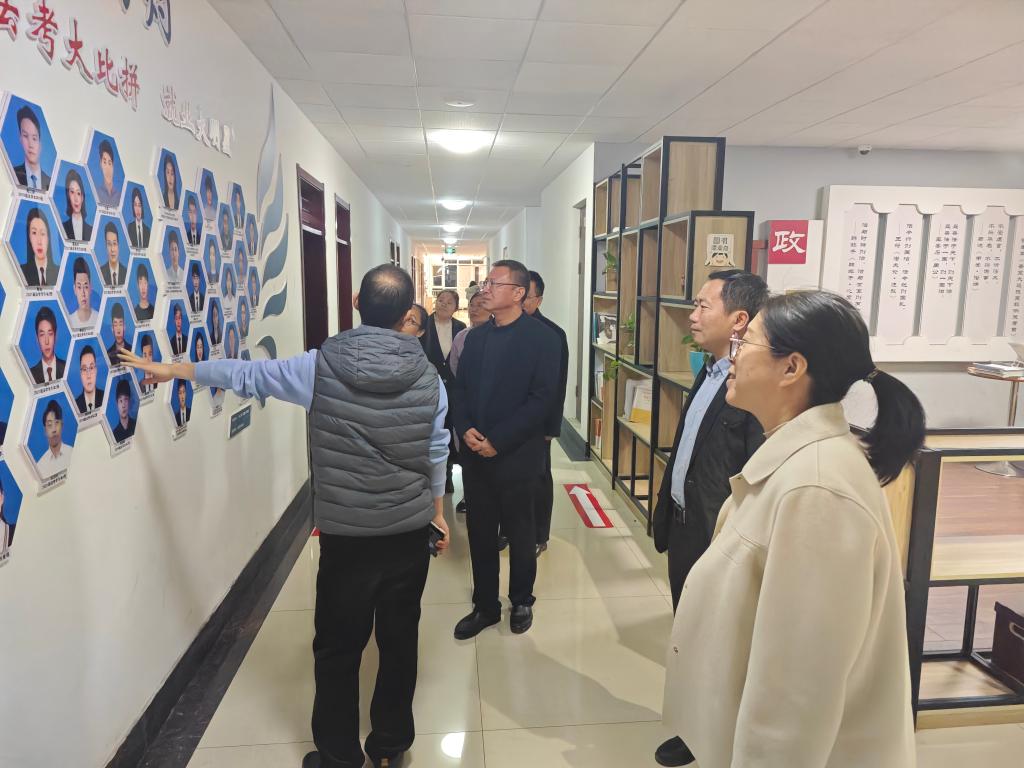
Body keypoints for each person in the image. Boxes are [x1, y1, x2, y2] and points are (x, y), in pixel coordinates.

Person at [119, 264, 451, 768]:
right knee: (400, 640)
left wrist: (175, 370)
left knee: (338, 647)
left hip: (346, 537)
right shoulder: (430, 377)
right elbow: (436, 449)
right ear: (409, 313)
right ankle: (389, 748)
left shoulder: (319, 367)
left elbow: (246, 374)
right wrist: (438, 514)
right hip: (406, 532)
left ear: (356, 303)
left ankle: (339, 757)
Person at [662, 290, 924, 768]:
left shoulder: (817, 490)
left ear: (791, 368)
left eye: (746, 342)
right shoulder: (794, 461)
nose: (732, 356)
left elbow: (796, 695)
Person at [650, 270, 769, 767]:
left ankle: (713, 735)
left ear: (739, 319)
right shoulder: (711, 368)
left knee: (719, 640)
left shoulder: (755, 384)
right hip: (686, 524)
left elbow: (756, 473)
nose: (692, 315)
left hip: (719, 534)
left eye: (703, 306)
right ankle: (695, 724)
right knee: (689, 631)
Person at [450, 260, 559, 639]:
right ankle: (485, 606)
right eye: (485, 283)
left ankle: (521, 599)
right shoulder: (476, 337)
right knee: (480, 532)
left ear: (518, 293)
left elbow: (541, 400)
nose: (485, 289)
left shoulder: (543, 339)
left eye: (493, 283)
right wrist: (465, 428)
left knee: (521, 531)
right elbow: (459, 390)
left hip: (517, 454)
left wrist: (498, 440)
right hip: (475, 455)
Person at [522, 271, 569, 556]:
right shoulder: (500, 327)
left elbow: (558, 385)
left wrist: (552, 427)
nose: (520, 301)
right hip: (507, 421)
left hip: (539, 423)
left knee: (539, 476)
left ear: (538, 299)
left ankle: (540, 535)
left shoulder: (553, 334)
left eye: (526, 296)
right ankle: (509, 529)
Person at [448, 288, 489, 516]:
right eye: (472, 305)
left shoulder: (497, 335)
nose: (475, 309)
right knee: (467, 452)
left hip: (488, 406)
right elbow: (455, 367)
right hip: (467, 403)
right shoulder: (461, 336)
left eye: (481, 305)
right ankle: (468, 495)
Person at [422, 289, 466, 494]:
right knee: (430, 428)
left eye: (449, 302)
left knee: (449, 427)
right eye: (441, 300)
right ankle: (428, 475)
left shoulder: (460, 328)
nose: (444, 304)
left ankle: (447, 474)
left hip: (453, 387)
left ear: (456, 307)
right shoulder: (424, 325)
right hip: (427, 385)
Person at [13, 105, 50, 191]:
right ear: (20, 139)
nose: (30, 144)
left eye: (34, 138)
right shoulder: (13, 174)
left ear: (40, 144)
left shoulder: (50, 183)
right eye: (25, 136)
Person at [21, 207, 58, 287]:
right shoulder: (21, 272)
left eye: (42, 233)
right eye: (34, 233)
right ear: (29, 237)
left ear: (48, 237)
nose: (39, 241)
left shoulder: (59, 273)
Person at [29, 306, 66, 385]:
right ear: (37, 338)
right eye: (42, 335)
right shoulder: (31, 375)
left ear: (55, 336)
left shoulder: (67, 368)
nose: (46, 341)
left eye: (50, 334)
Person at [35, 400, 71, 477]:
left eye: (57, 423)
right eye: (49, 424)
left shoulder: (73, 453)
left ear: (62, 425)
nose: (54, 429)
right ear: (45, 430)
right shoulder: (40, 466)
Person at [62, 168, 92, 242]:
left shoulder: (91, 230)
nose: (76, 199)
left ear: (82, 197)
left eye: (78, 193)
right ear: (68, 196)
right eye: (72, 192)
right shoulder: (62, 228)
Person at [74, 344, 104, 414]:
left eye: (91, 368)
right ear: (80, 373)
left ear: (96, 370)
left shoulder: (105, 397)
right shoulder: (75, 405)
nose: (88, 375)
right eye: (84, 369)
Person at [100, 221, 127, 287]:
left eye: (114, 243)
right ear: (105, 246)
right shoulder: (100, 273)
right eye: (109, 244)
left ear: (118, 245)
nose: (112, 249)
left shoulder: (126, 273)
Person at [95, 139, 119, 207]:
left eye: (109, 163)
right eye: (104, 162)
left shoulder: (119, 196)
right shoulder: (96, 193)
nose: (107, 168)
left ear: (113, 165)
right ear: (100, 164)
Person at [111, 378, 136, 442]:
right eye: (120, 401)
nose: (123, 405)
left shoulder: (136, 425)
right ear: (117, 403)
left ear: (129, 401)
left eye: (126, 399)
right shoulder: (114, 434)